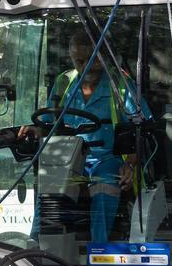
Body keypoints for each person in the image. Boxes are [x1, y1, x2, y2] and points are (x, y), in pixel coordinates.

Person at [20, 30, 145, 243]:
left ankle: (99, 249)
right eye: (79, 60)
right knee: (50, 187)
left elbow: (142, 128)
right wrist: (36, 130)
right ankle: (39, 245)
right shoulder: (63, 83)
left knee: (105, 184)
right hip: (70, 158)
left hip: (108, 159)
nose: (86, 65)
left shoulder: (120, 85)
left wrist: (131, 164)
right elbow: (52, 123)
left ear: (104, 58)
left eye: (92, 59)